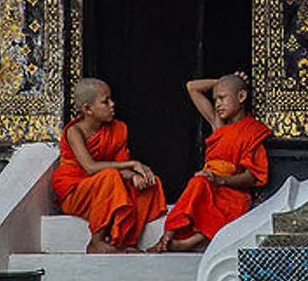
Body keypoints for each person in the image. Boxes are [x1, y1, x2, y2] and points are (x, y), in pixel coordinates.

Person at [153, 73, 271, 253]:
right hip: (208, 183)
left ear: (241, 97)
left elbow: (251, 177)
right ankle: (167, 236)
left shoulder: (252, 131)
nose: (217, 104)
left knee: (234, 210)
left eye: (222, 98)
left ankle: (188, 243)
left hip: (232, 189)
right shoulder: (219, 125)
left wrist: (220, 180)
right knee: (197, 184)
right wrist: (222, 83)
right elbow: (192, 87)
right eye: (215, 99)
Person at [52, 77, 166, 253]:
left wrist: (136, 176)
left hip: (105, 185)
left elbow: (120, 167)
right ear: (87, 109)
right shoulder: (75, 131)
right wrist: (133, 163)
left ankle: (126, 240)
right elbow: (90, 167)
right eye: (105, 102)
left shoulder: (118, 129)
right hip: (75, 191)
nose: (112, 104)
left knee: (149, 183)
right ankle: (96, 241)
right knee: (109, 177)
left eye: (111, 99)